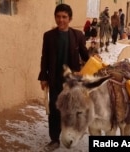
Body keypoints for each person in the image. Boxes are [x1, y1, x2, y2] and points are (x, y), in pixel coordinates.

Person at [37, 4, 90, 151]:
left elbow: (85, 55)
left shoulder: (78, 35)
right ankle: (54, 139)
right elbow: (44, 57)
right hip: (55, 80)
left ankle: (71, 135)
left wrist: (94, 61)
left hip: (72, 81)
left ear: (70, 18)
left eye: (64, 17)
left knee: (73, 109)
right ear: (55, 17)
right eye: (58, 16)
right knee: (54, 110)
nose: (61, 20)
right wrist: (43, 77)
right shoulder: (48, 36)